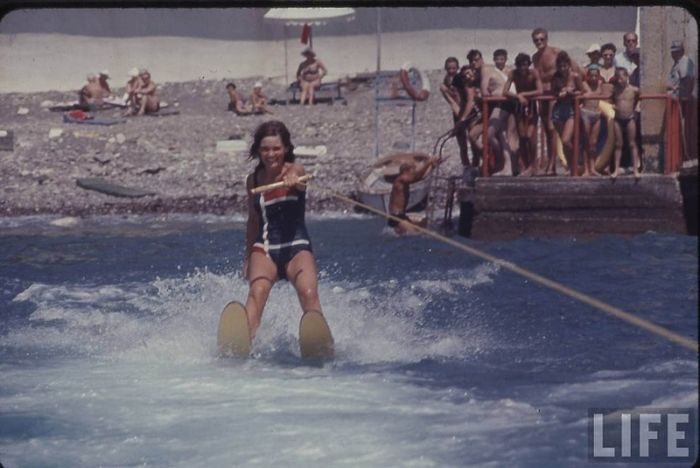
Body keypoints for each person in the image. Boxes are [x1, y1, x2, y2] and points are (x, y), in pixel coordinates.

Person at [243, 120, 324, 339]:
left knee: (308, 292)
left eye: (276, 148)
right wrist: (248, 257)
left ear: (286, 148)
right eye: (265, 149)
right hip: (265, 247)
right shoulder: (253, 180)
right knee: (257, 292)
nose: (271, 154)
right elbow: (253, 220)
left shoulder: (296, 170)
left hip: (296, 246)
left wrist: (293, 180)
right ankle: (243, 341)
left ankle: (320, 342)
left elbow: (299, 181)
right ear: (258, 150)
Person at [549, 51, 590, 176]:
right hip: (558, 110)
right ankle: (571, 166)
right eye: (560, 66)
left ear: (568, 65)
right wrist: (561, 93)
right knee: (564, 142)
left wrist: (571, 92)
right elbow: (553, 93)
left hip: (570, 110)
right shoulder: (555, 77)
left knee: (567, 140)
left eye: (564, 66)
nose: (562, 69)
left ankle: (577, 163)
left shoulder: (575, 76)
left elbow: (582, 91)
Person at [503, 53, 543, 176]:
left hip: (531, 104)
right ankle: (526, 165)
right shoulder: (513, 73)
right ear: (517, 65)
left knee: (531, 136)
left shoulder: (533, 73)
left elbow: (540, 90)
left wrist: (524, 94)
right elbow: (505, 91)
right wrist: (517, 96)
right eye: (520, 65)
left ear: (528, 65)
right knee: (522, 136)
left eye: (525, 65)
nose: (523, 68)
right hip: (519, 105)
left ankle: (534, 165)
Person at [482, 48, 516, 175]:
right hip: (499, 104)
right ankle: (502, 161)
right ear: (494, 59)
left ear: (506, 59)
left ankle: (511, 167)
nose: (500, 61)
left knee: (510, 135)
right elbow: (485, 90)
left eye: (502, 59)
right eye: (497, 59)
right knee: (493, 134)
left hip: (512, 104)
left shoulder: (511, 71)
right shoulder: (490, 72)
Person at [387, 156, 440, 235]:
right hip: (396, 217)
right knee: (416, 234)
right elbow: (417, 176)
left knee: (425, 224)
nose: (415, 171)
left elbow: (421, 177)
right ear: (406, 171)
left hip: (402, 215)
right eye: (413, 170)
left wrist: (432, 166)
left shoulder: (404, 180)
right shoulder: (401, 179)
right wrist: (428, 162)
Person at [667, 40, 697, 161]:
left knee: (683, 129)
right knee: (678, 129)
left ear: (682, 51)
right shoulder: (678, 63)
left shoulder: (684, 62)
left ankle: (686, 155)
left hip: (682, 101)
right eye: (673, 51)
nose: (673, 54)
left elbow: (688, 78)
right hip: (678, 100)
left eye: (676, 51)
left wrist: (682, 94)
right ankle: (682, 155)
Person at [452, 65, 484, 172]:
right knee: (473, 137)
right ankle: (481, 160)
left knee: (473, 136)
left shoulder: (480, 81)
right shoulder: (469, 85)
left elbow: (471, 102)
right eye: (465, 75)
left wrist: (462, 119)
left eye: (469, 73)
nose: (468, 76)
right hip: (481, 114)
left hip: (489, 112)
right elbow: (469, 102)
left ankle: (484, 157)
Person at [611, 67, 641, 179]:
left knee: (632, 143)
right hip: (618, 119)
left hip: (630, 118)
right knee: (618, 144)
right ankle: (616, 169)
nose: (620, 81)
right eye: (618, 78)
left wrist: (637, 106)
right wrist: (612, 105)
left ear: (627, 77)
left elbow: (641, 96)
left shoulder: (633, 90)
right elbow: (608, 99)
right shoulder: (614, 90)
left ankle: (635, 169)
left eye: (622, 78)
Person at [440, 57, 469, 166]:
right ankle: (466, 165)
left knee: (472, 138)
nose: (451, 70)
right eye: (449, 68)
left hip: (465, 109)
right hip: (457, 110)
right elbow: (452, 98)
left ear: (457, 68)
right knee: (462, 142)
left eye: (454, 68)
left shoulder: (460, 78)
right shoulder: (446, 80)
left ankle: (475, 164)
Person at [580, 64, 605, 176]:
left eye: (596, 76)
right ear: (588, 76)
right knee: (586, 142)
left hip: (596, 114)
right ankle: (586, 169)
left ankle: (592, 167)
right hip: (586, 113)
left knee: (593, 143)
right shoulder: (584, 84)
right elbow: (588, 94)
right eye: (591, 76)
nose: (594, 78)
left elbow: (601, 93)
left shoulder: (600, 83)